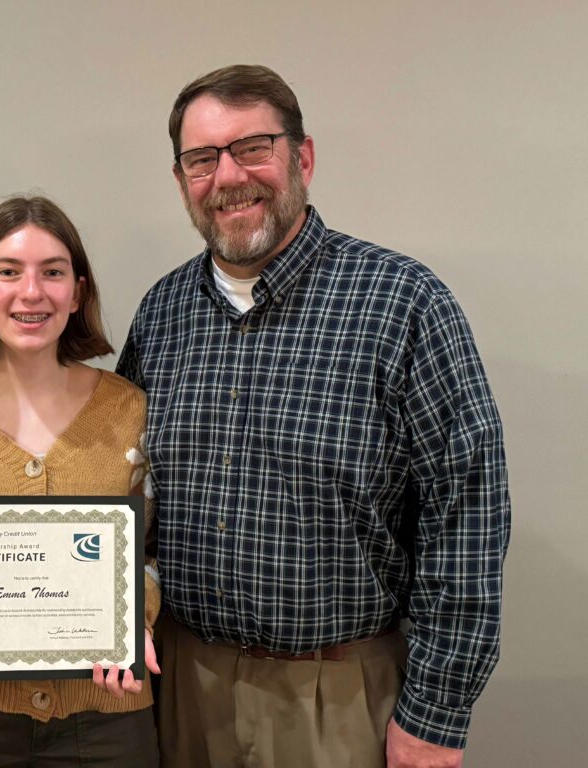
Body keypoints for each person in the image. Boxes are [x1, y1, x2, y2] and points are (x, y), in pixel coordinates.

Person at [116, 65, 510, 768]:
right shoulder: (162, 313)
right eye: (202, 159)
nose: (228, 175)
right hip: (181, 691)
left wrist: (436, 716)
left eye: (253, 148)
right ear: (181, 181)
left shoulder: (403, 304)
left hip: (340, 698)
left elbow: (468, 517)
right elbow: (127, 501)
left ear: (303, 157)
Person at [0, 195, 161, 767]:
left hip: (109, 717)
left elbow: (154, 551)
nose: (32, 292)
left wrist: (135, 620)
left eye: (53, 272)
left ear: (78, 291)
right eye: (9, 272)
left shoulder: (131, 411)